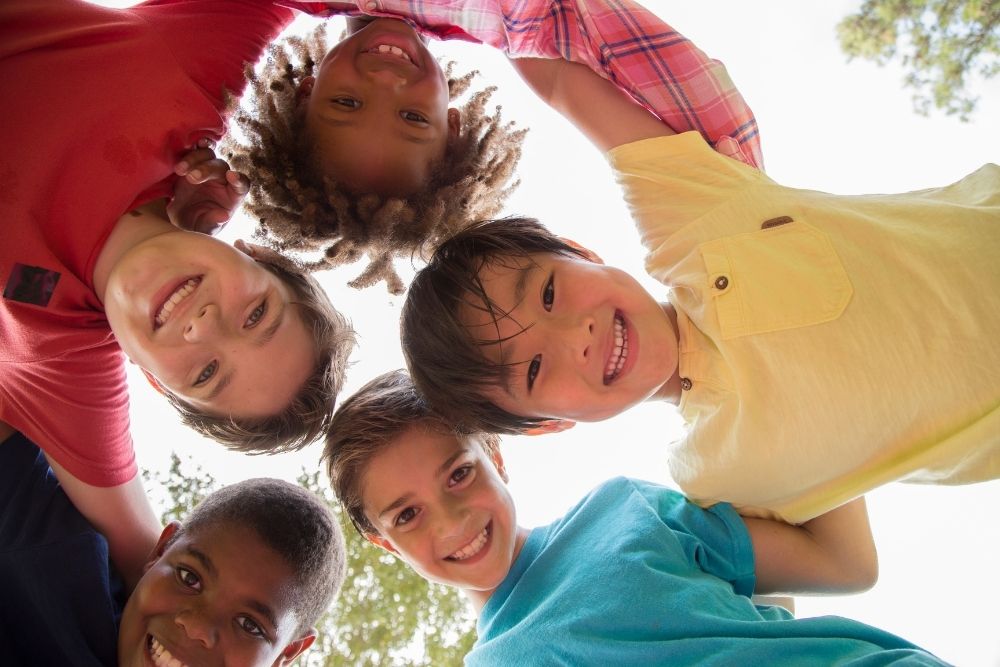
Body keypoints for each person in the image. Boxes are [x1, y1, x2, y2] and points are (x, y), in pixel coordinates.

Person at [399, 36, 1000, 525]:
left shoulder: (691, 222)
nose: (573, 338)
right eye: (533, 370)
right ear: (551, 424)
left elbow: (556, 74)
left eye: (550, 294)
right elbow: (843, 569)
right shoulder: (712, 478)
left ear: (582, 252)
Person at [0, 0, 354, 589]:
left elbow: (141, 557)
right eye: (256, 313)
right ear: (255, 254)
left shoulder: (59, 360)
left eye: (207, 373)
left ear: (154, 382)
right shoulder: (185, 87)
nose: (203, 327)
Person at [321, 371, 953, 665]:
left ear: (496, 454)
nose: (451, 520)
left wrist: (794, 386)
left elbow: (842, 564)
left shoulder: (622, 510)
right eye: (407, 515)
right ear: (384, 544)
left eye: (458, 473)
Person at [228, 0, 761, 292]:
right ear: (453, 125)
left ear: (303, 95)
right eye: (413, 118)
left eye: (346, 104)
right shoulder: (516, 20)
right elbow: (684, 93)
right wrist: (744, 199)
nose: (384, 82)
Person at [0, 421, 346, 667]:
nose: (196, 627)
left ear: (287, 655)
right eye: (189, 578)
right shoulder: (63, 569)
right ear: (161, 549)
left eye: (250, 626)